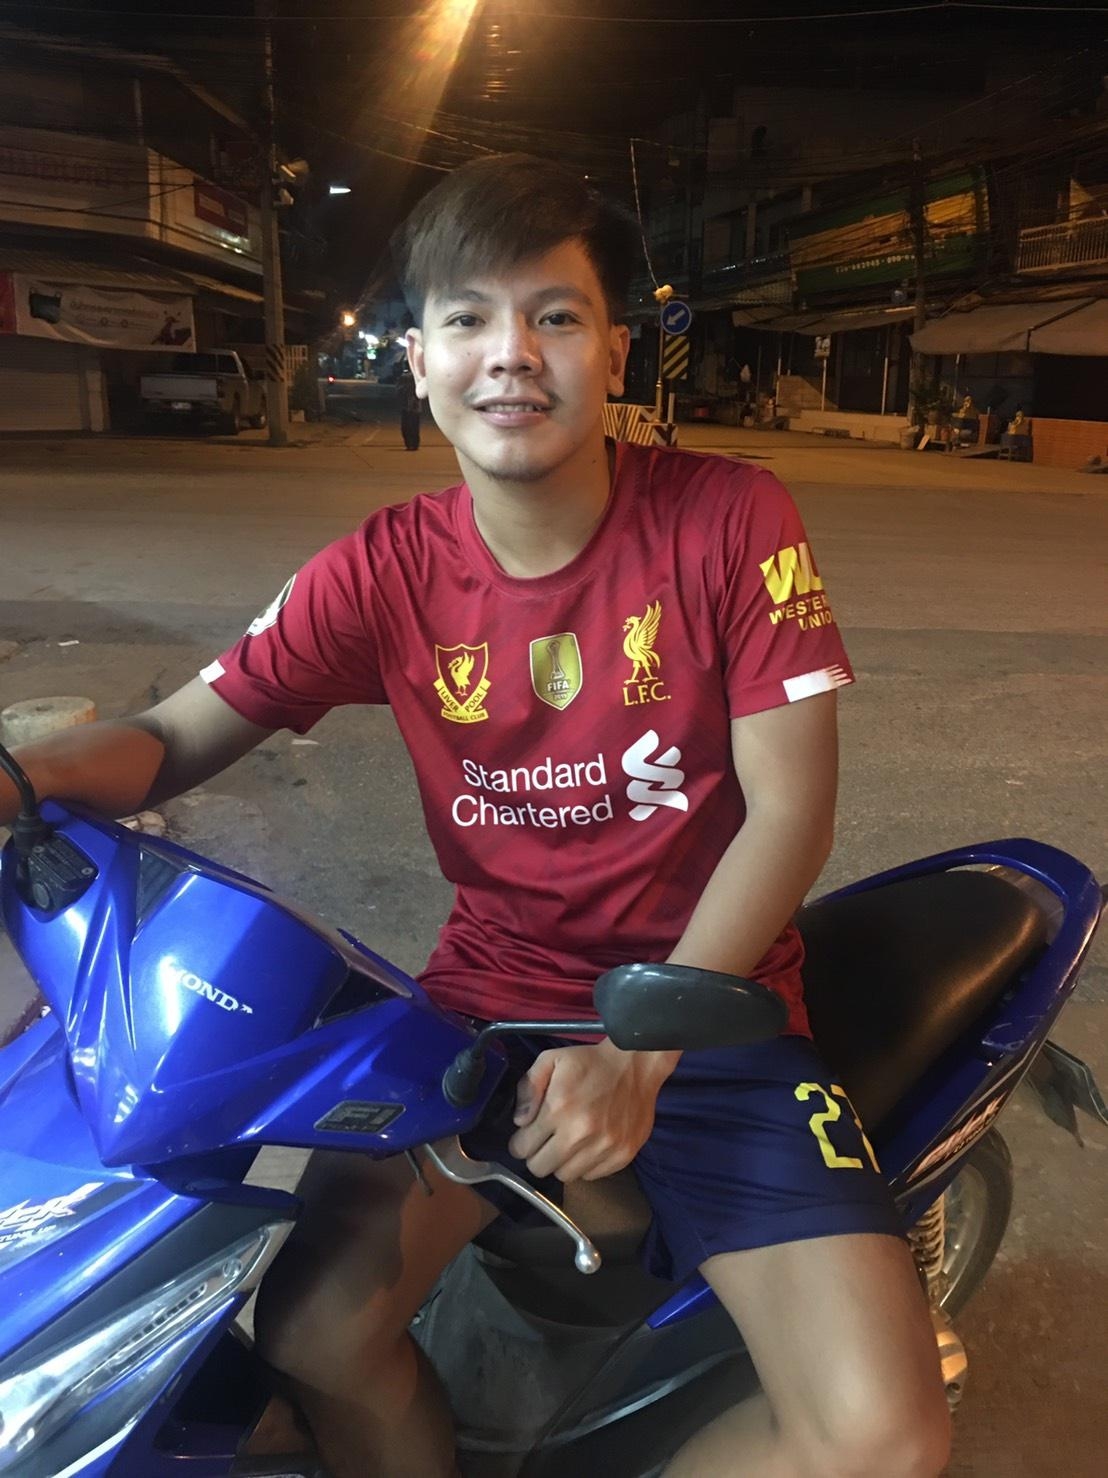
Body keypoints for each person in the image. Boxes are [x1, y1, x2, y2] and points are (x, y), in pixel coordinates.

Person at [0, 154, 950, 1478]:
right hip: (486, 1011)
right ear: (418, 359)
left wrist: (640, 1053)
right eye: (467, 318)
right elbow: (169, 738)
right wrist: (23, 780)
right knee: (315, 1331)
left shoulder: (730, 517)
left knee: (885, 1436)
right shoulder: (382, 569)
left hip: (706, 1009)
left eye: (554, 315)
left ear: (615, 350)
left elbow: (788, 809)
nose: (511, 353)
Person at [397, 362, 422, 450]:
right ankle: (415, 444)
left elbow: (399, 391)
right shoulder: (417, 377)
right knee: (414, 426)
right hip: (416, 406)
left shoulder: (404, 377)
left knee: (406, 426)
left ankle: (409, 444)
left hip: (406, 406)